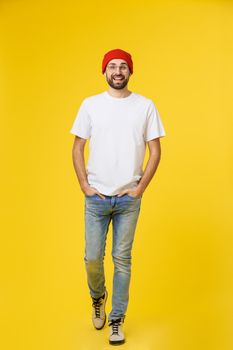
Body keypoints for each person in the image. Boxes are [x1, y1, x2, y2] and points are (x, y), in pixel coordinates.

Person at [70, 48, 166, 345]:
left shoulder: (145, 106)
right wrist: (85, 185)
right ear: (104, 71)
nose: (117, 71)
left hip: (128, 199)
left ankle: (116, 319)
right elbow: (77, 147)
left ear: (130, 71)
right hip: (96, 197)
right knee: (93, 258)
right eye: (112, 66)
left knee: (122, 260)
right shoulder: (90, 105)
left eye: (123, 66)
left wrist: (140, 189)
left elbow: (156, 151)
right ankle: (98, 297)